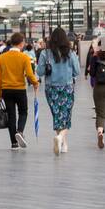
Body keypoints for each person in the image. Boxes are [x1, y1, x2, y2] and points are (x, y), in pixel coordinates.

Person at [37, 26, 81, 155]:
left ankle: (63, 143)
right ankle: (61, 138)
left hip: (51, 88)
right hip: (67, 87)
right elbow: (77, 71)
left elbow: (39, 72)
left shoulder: (45, 53)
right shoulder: (70, 53)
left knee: (57, 115)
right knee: (66, 115)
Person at [0, 31, 39, 150]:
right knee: (23, 112)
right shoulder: (24, 57)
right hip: (19, 89)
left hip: (6, 90)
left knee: (11, 115)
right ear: (21, 43)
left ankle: (14, 143)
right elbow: (29, 74)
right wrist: (35, 83)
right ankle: (20, 131)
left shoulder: (2, 58)